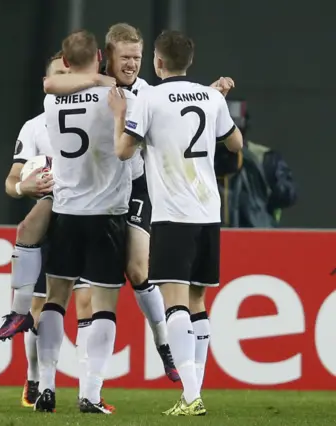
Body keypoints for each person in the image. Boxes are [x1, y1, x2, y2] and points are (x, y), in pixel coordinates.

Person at [42, 22, 234, 382]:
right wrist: (101, 81)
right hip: (97, 195)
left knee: (138, 268)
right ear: (107, 56)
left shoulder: (146, 91)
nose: (131, 64)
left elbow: (180, 105)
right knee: (95, 294)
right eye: (125, 57)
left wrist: (211, 91)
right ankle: (69, 382)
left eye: (137, 57)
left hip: (136, 187)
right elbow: (52, 83)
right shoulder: (94, 85)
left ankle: (164, 342)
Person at [111, 30, 243, 416]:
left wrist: (121, 118)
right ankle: (194, 391)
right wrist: (216, 103)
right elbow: (234, 145)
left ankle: (190, 396)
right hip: (209, 212)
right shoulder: (211, 97)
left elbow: (123, 151)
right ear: (190, 61)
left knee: (175, 304)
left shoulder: (148, 98)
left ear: (157, 62)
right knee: (199, 300)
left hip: (172, 213)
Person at [0, 51, 112, 412]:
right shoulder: (34, 127)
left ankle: (89, 391)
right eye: (57, 74)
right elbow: (12, 182)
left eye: (68, 71)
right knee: (43, 306)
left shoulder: (100, 111)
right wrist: (23, 189)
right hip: (52, 221)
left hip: (91, 215)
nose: (65, 78)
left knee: (88, 302)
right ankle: (39, 380)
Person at [36, 29, 134, 415]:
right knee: (104, 304)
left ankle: (45, 386)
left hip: (66, 212)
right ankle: (90, 393)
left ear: (64, 60)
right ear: (99, 54)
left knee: (55, 300)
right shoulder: (116, 97)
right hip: (107, 214)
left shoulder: (50, 103)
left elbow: (52, 83)